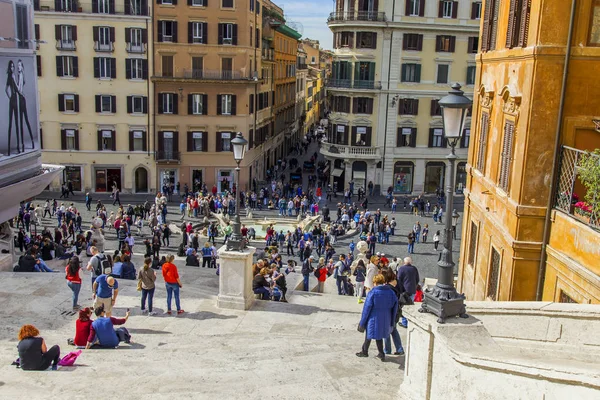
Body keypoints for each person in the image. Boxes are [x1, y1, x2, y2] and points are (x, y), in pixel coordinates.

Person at [355, 274, 398, 362]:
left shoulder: (373, 292)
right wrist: (392, 321)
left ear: (375, 282)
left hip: (373, 317)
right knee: (379, 335)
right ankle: (381, 353)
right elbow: (395, 307)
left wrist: (362, 322)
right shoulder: (391, 292)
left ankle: (365, 351)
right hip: (386, 317)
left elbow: (367, 308)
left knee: (369, 334)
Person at [383, 269, 405, 356]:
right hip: (396, 312)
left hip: (389, 312)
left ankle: (387, 350)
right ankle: (399, 349)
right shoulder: (398, 284)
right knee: (394, 330)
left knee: (387, 331)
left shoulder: (388, 288)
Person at [397, 257, 420, 328]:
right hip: (412, 290)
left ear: (404, 262)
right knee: (410, 305)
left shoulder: (401, 269)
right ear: (411, 262)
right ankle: (408, 321)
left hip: (404, 291)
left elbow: (398, 279)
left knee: (404, 306)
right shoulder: (414, 269)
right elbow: (417, 279)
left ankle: (404, 322)